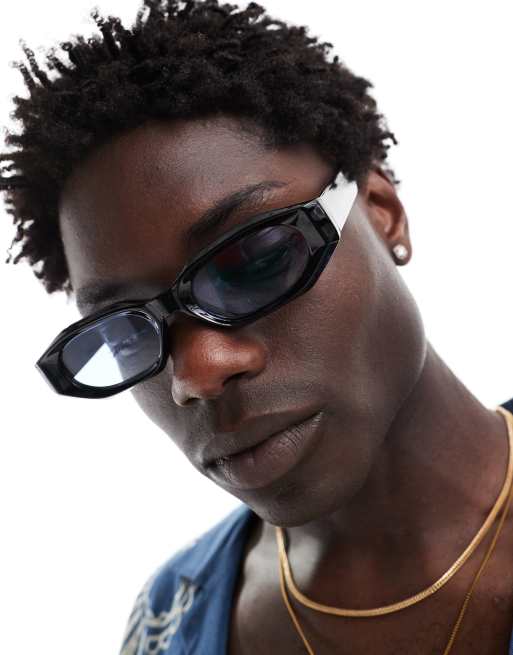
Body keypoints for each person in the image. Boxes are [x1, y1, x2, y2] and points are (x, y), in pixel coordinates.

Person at [2, 1, 512, 653]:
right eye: (127, 329)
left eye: (256, 261)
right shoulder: (167, 625)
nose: (197, 372)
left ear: (380, 210)